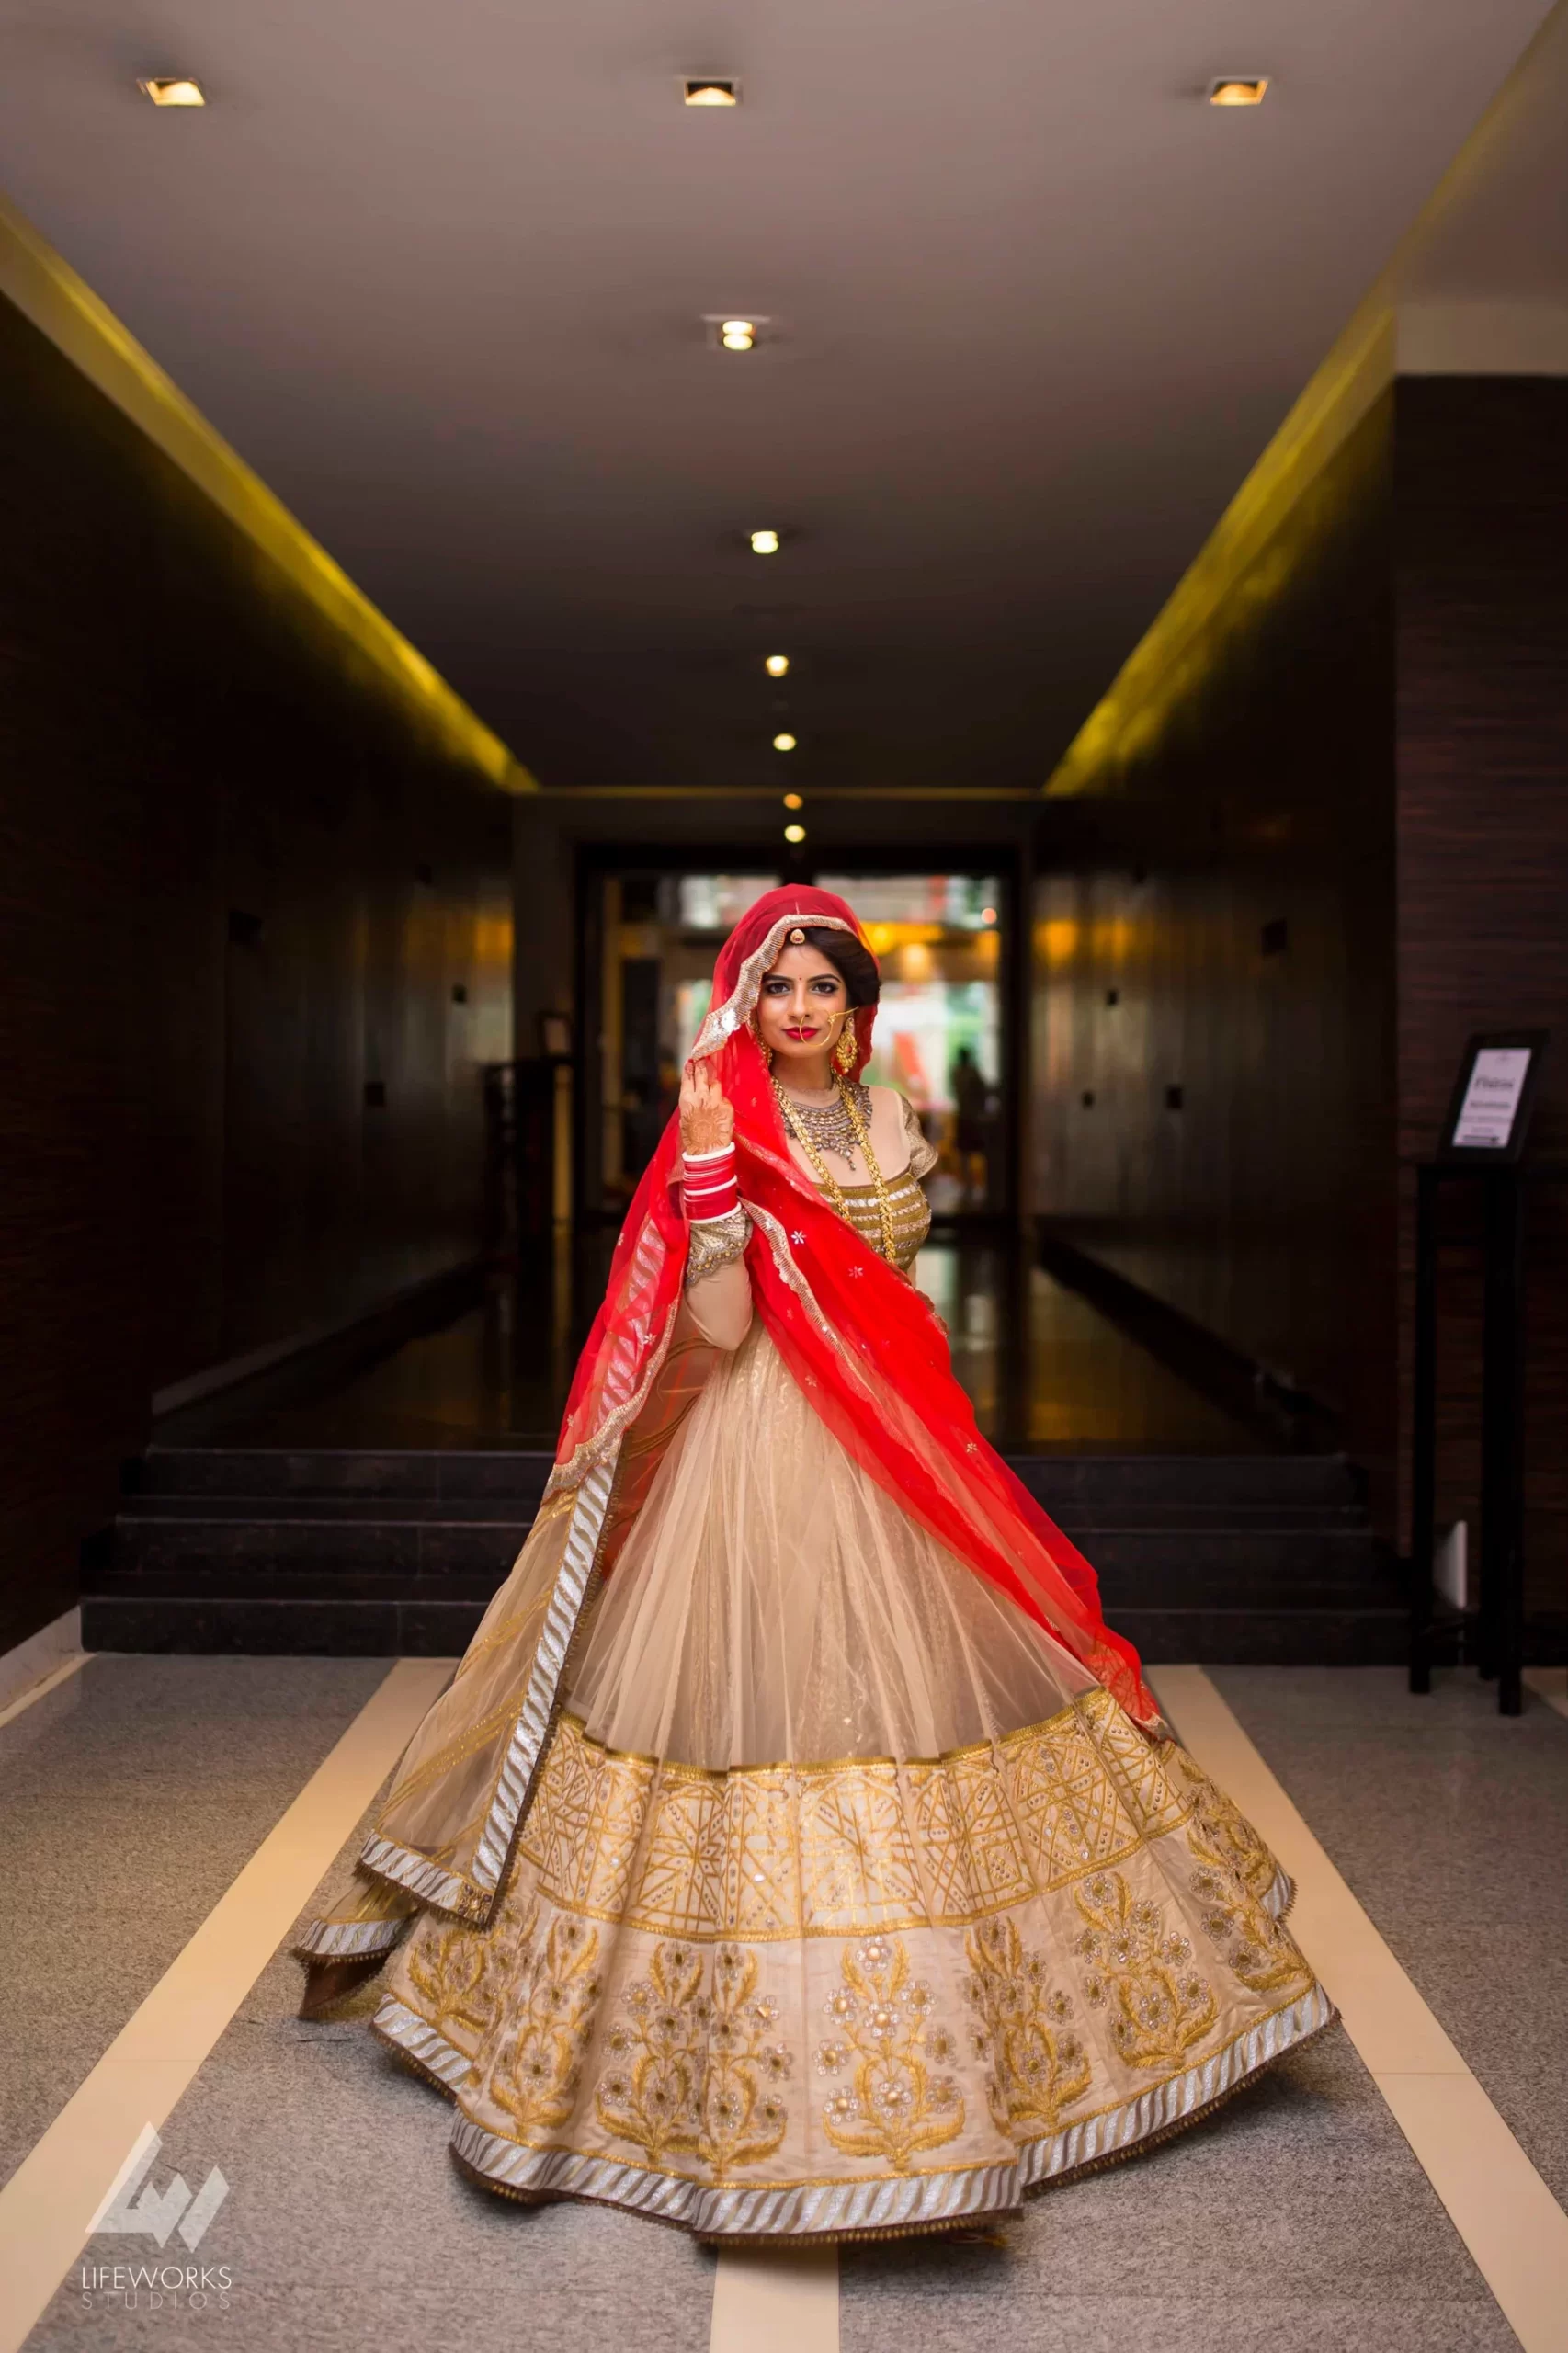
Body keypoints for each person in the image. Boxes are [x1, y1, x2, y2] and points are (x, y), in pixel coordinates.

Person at [291, 885, 1332, 2243]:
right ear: (744, 1000)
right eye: (774, 986)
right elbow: (716, 1324)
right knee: (755, 1700)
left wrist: (915, 1426)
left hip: (895, 1449)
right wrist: (714, 1174)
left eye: (820, 987)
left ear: (852, 1006)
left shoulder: (897, 1117)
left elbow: (901, 1303)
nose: (796, 1008)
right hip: (761, 1450)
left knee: (935, 1689)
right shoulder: (725, 1123)